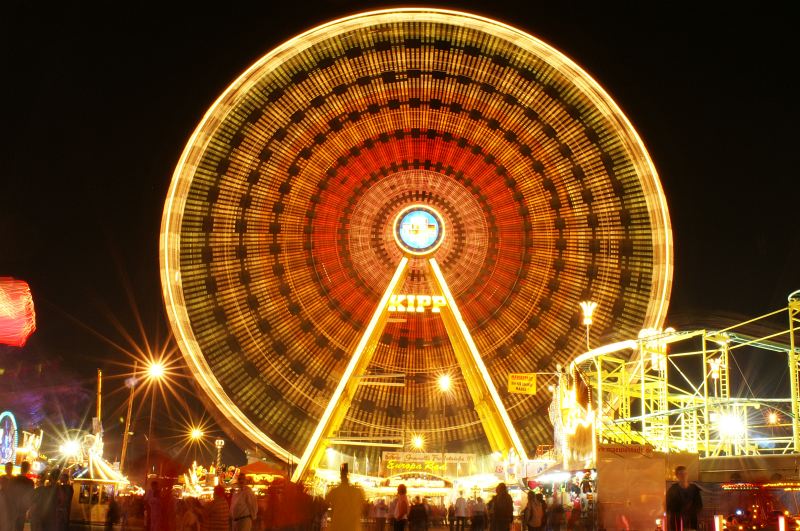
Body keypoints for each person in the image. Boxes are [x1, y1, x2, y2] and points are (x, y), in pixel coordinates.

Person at [325, 464, 366, 531]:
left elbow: (325, 503)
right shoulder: (357, 491)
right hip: (353, 525)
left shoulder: (334, 491)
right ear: (348, 476)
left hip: (338, 524)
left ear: (340, 477)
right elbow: (364, 505)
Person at [665, 466, 702, 531]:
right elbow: (668, 505)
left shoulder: (694, 489)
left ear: (687, 474)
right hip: (677, 521)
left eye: (685, 473)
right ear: (677, 476)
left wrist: (693, 511)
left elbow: (699, 505)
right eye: (681, 474)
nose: (683, 476)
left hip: (691, 520)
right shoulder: (672, 490)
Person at [8, 461, 35, 531]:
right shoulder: (30, 482)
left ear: (21, 468)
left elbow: (9, 494)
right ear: (28, 469)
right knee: (19, 528)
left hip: (12, 508)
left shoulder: (13, 479)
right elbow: (31, 497)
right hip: (22, 510)